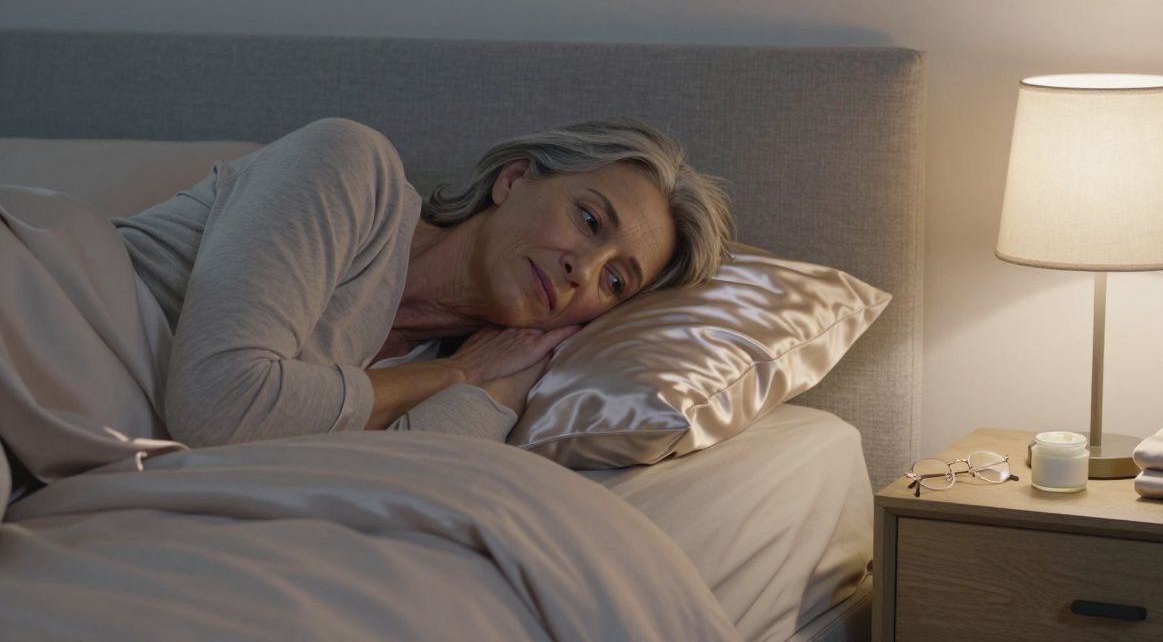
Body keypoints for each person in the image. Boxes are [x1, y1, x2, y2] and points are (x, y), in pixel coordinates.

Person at [112, 118, 732, 447]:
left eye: (616, 281)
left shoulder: (476, 367)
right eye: (589, 219)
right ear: (513, 179)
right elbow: (218, 407)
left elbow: (392, 485)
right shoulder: (351, 168)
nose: (585, 271)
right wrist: (455, 374)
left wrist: (504, 380)